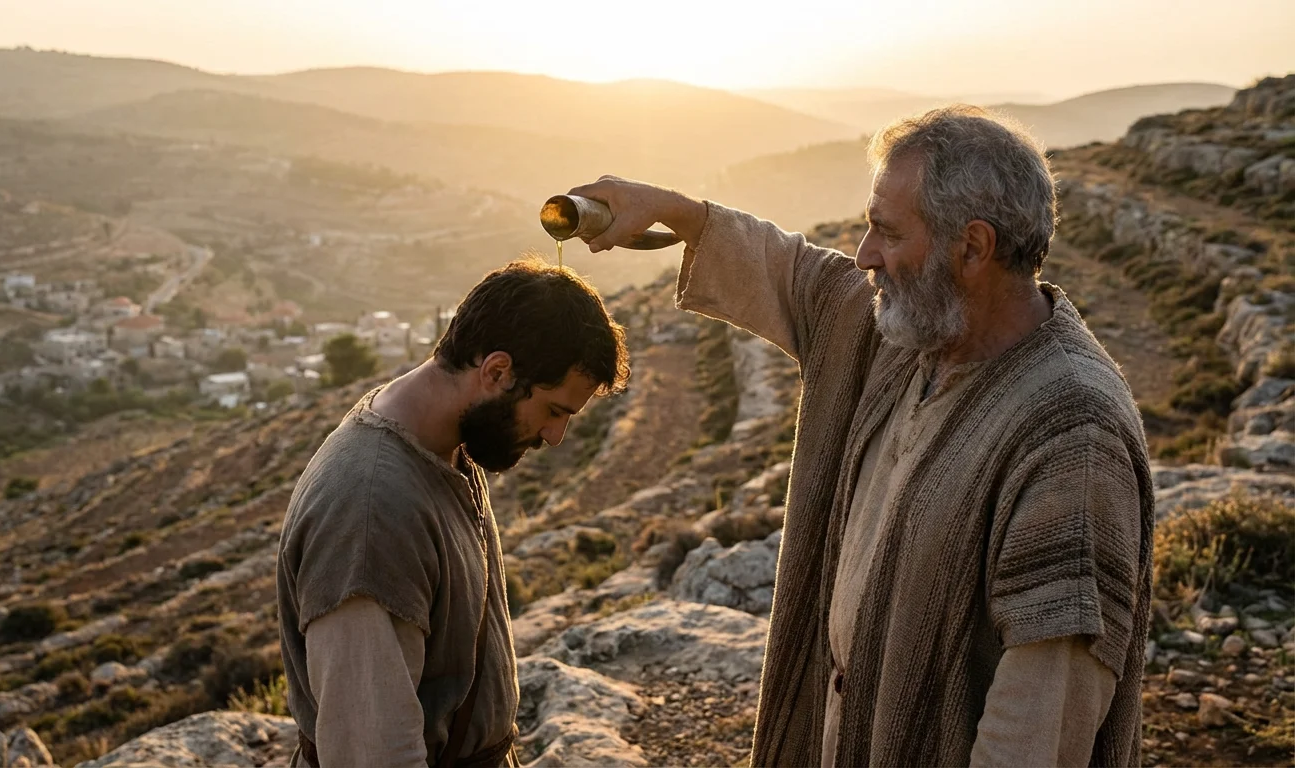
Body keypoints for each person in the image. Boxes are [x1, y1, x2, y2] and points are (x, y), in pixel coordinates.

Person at [569, 105, 1152, 767]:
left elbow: (1039, 728)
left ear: (973, 248)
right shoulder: (913, 330)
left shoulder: (1073, 435)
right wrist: (670, 210)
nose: (864, 255)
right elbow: (795, 272)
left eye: (887, 232)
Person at [276, 259, 630, 768]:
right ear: (497, 371)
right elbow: (372, 754)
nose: (555, 437)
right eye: (554, 411)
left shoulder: (450, 441)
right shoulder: (369, 514)